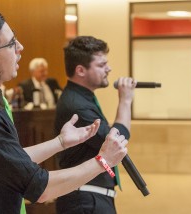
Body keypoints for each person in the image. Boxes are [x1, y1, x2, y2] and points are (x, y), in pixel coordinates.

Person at [0, 10, 128, 214]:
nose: (20, 48)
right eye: (11, 43)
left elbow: (12, 159)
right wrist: (103, 161)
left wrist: (61, 142)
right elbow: (42, 188)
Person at [54, 36, 137, 214]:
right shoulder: (77, 105)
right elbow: (116, 139)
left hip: (89, 196)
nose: (109, 69)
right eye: (101, 65)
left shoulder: (83, 97)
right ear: (81, 70)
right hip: (84, 200)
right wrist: (125, 101)